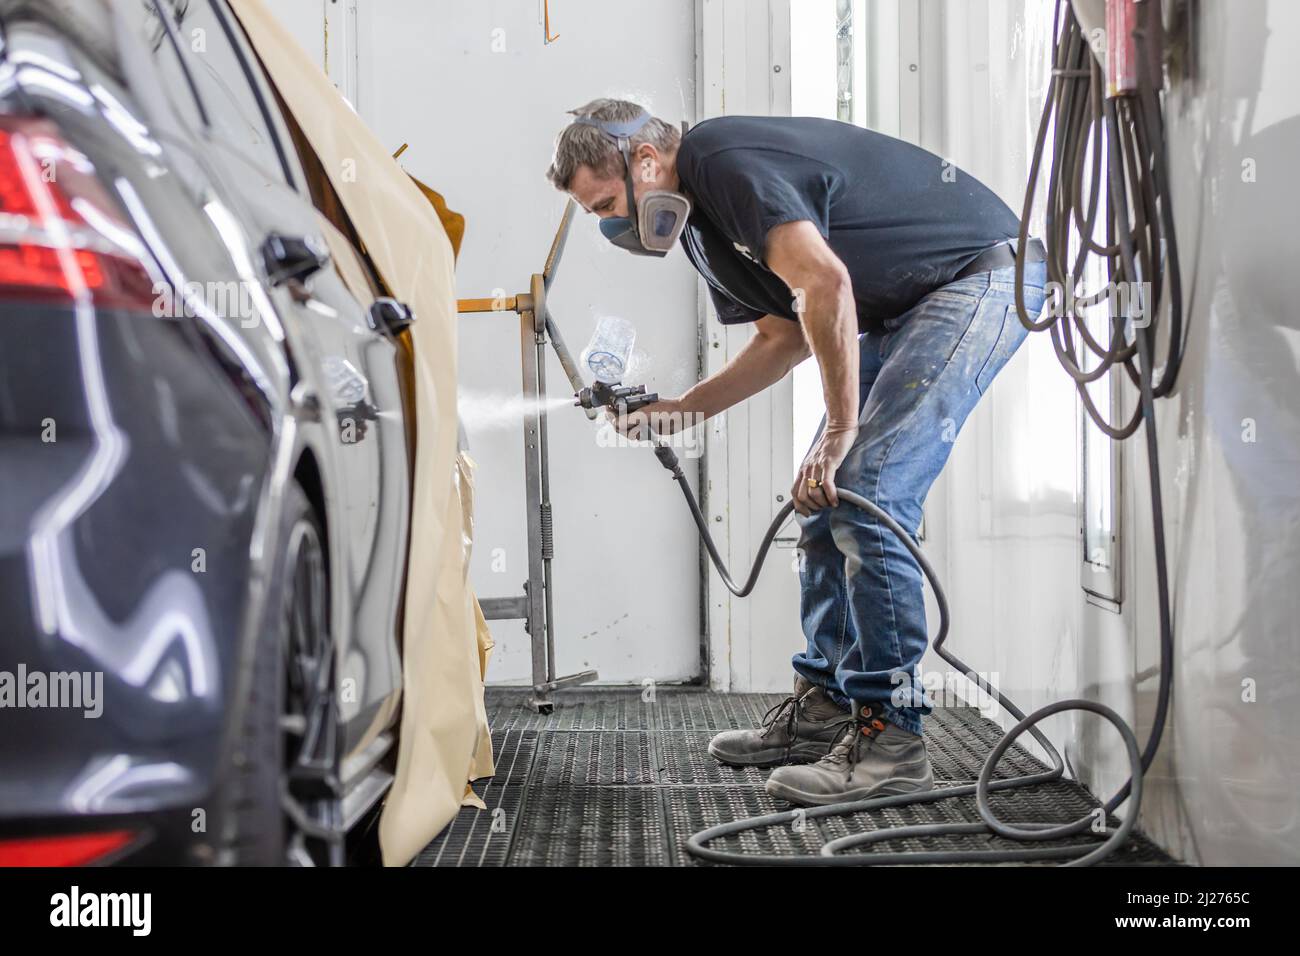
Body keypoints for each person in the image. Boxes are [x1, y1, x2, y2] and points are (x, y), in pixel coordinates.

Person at [546, 98, 1048, 805]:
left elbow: (826, 284)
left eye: (605, 203)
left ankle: (892, 741)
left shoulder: (719, 158)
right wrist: (677, 413)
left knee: (865, 489)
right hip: (905, 307)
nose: (610, 224)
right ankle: (825, 712)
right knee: (819, 503)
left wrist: (840, 431)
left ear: (646, 162)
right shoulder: (701, 232)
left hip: (975, 278)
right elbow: (781, 340)